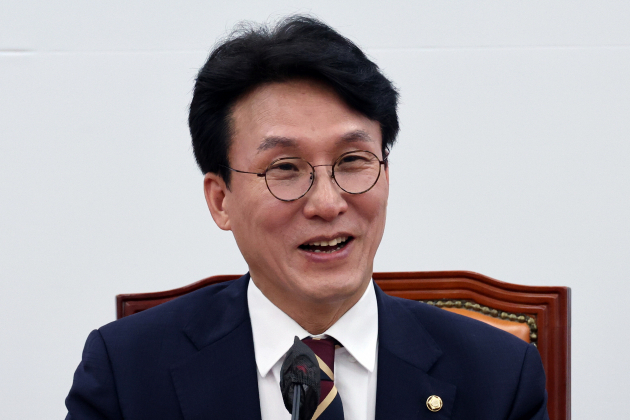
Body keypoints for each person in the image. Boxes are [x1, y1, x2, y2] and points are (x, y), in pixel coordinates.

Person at [65, 15, 549, 420]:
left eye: (353, 161)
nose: (327, 203)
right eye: (285, 168)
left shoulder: (499, 375)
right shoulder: (128, 372)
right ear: (221, 200)